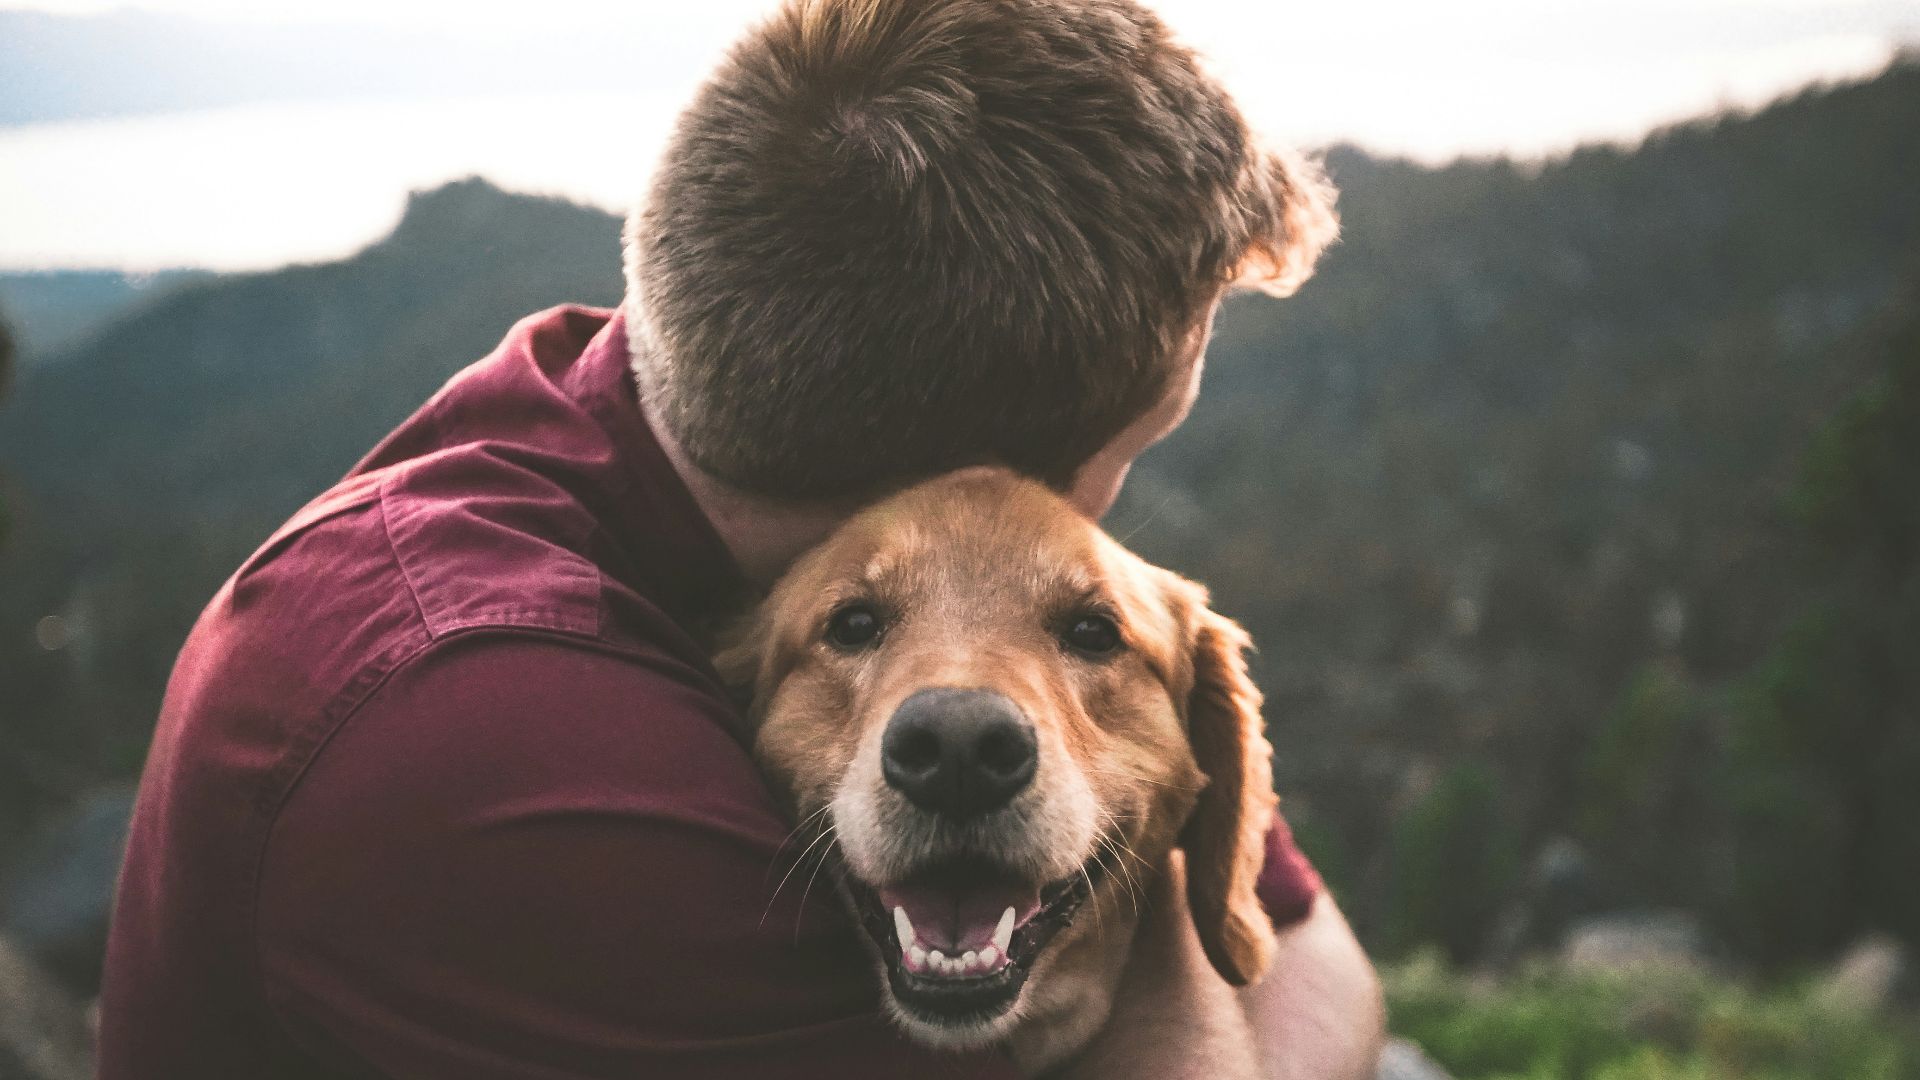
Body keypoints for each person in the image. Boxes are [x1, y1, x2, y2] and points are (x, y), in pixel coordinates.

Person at [97, 0, 1382, 1076]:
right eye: (1131, 453)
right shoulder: (493, 744)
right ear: (969, 480)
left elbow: (1315, 960)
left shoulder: (645, 407)